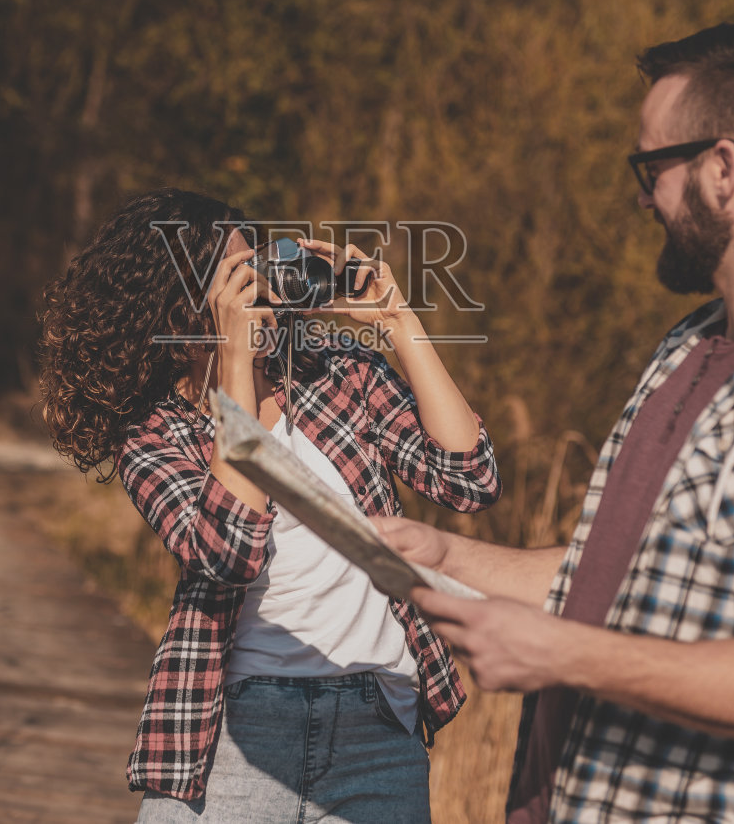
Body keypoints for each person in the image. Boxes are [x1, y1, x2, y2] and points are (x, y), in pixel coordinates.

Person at [377, 20, 734, 822]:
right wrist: (446, 553)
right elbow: (620, 582)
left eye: (651, 166)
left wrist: (563, 654)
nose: (640, 195)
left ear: (723, 170)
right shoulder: (688, 346)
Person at [36, 188, 501, 823]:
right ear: (180, 305)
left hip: (377, 727)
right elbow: (230, 550)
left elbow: (468, 478)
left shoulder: (335, 371)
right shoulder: (156, 434)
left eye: (259, 264)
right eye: (236, 277)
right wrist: (233, 361)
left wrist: (399, 322)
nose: (260, 285)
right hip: (235, 736)